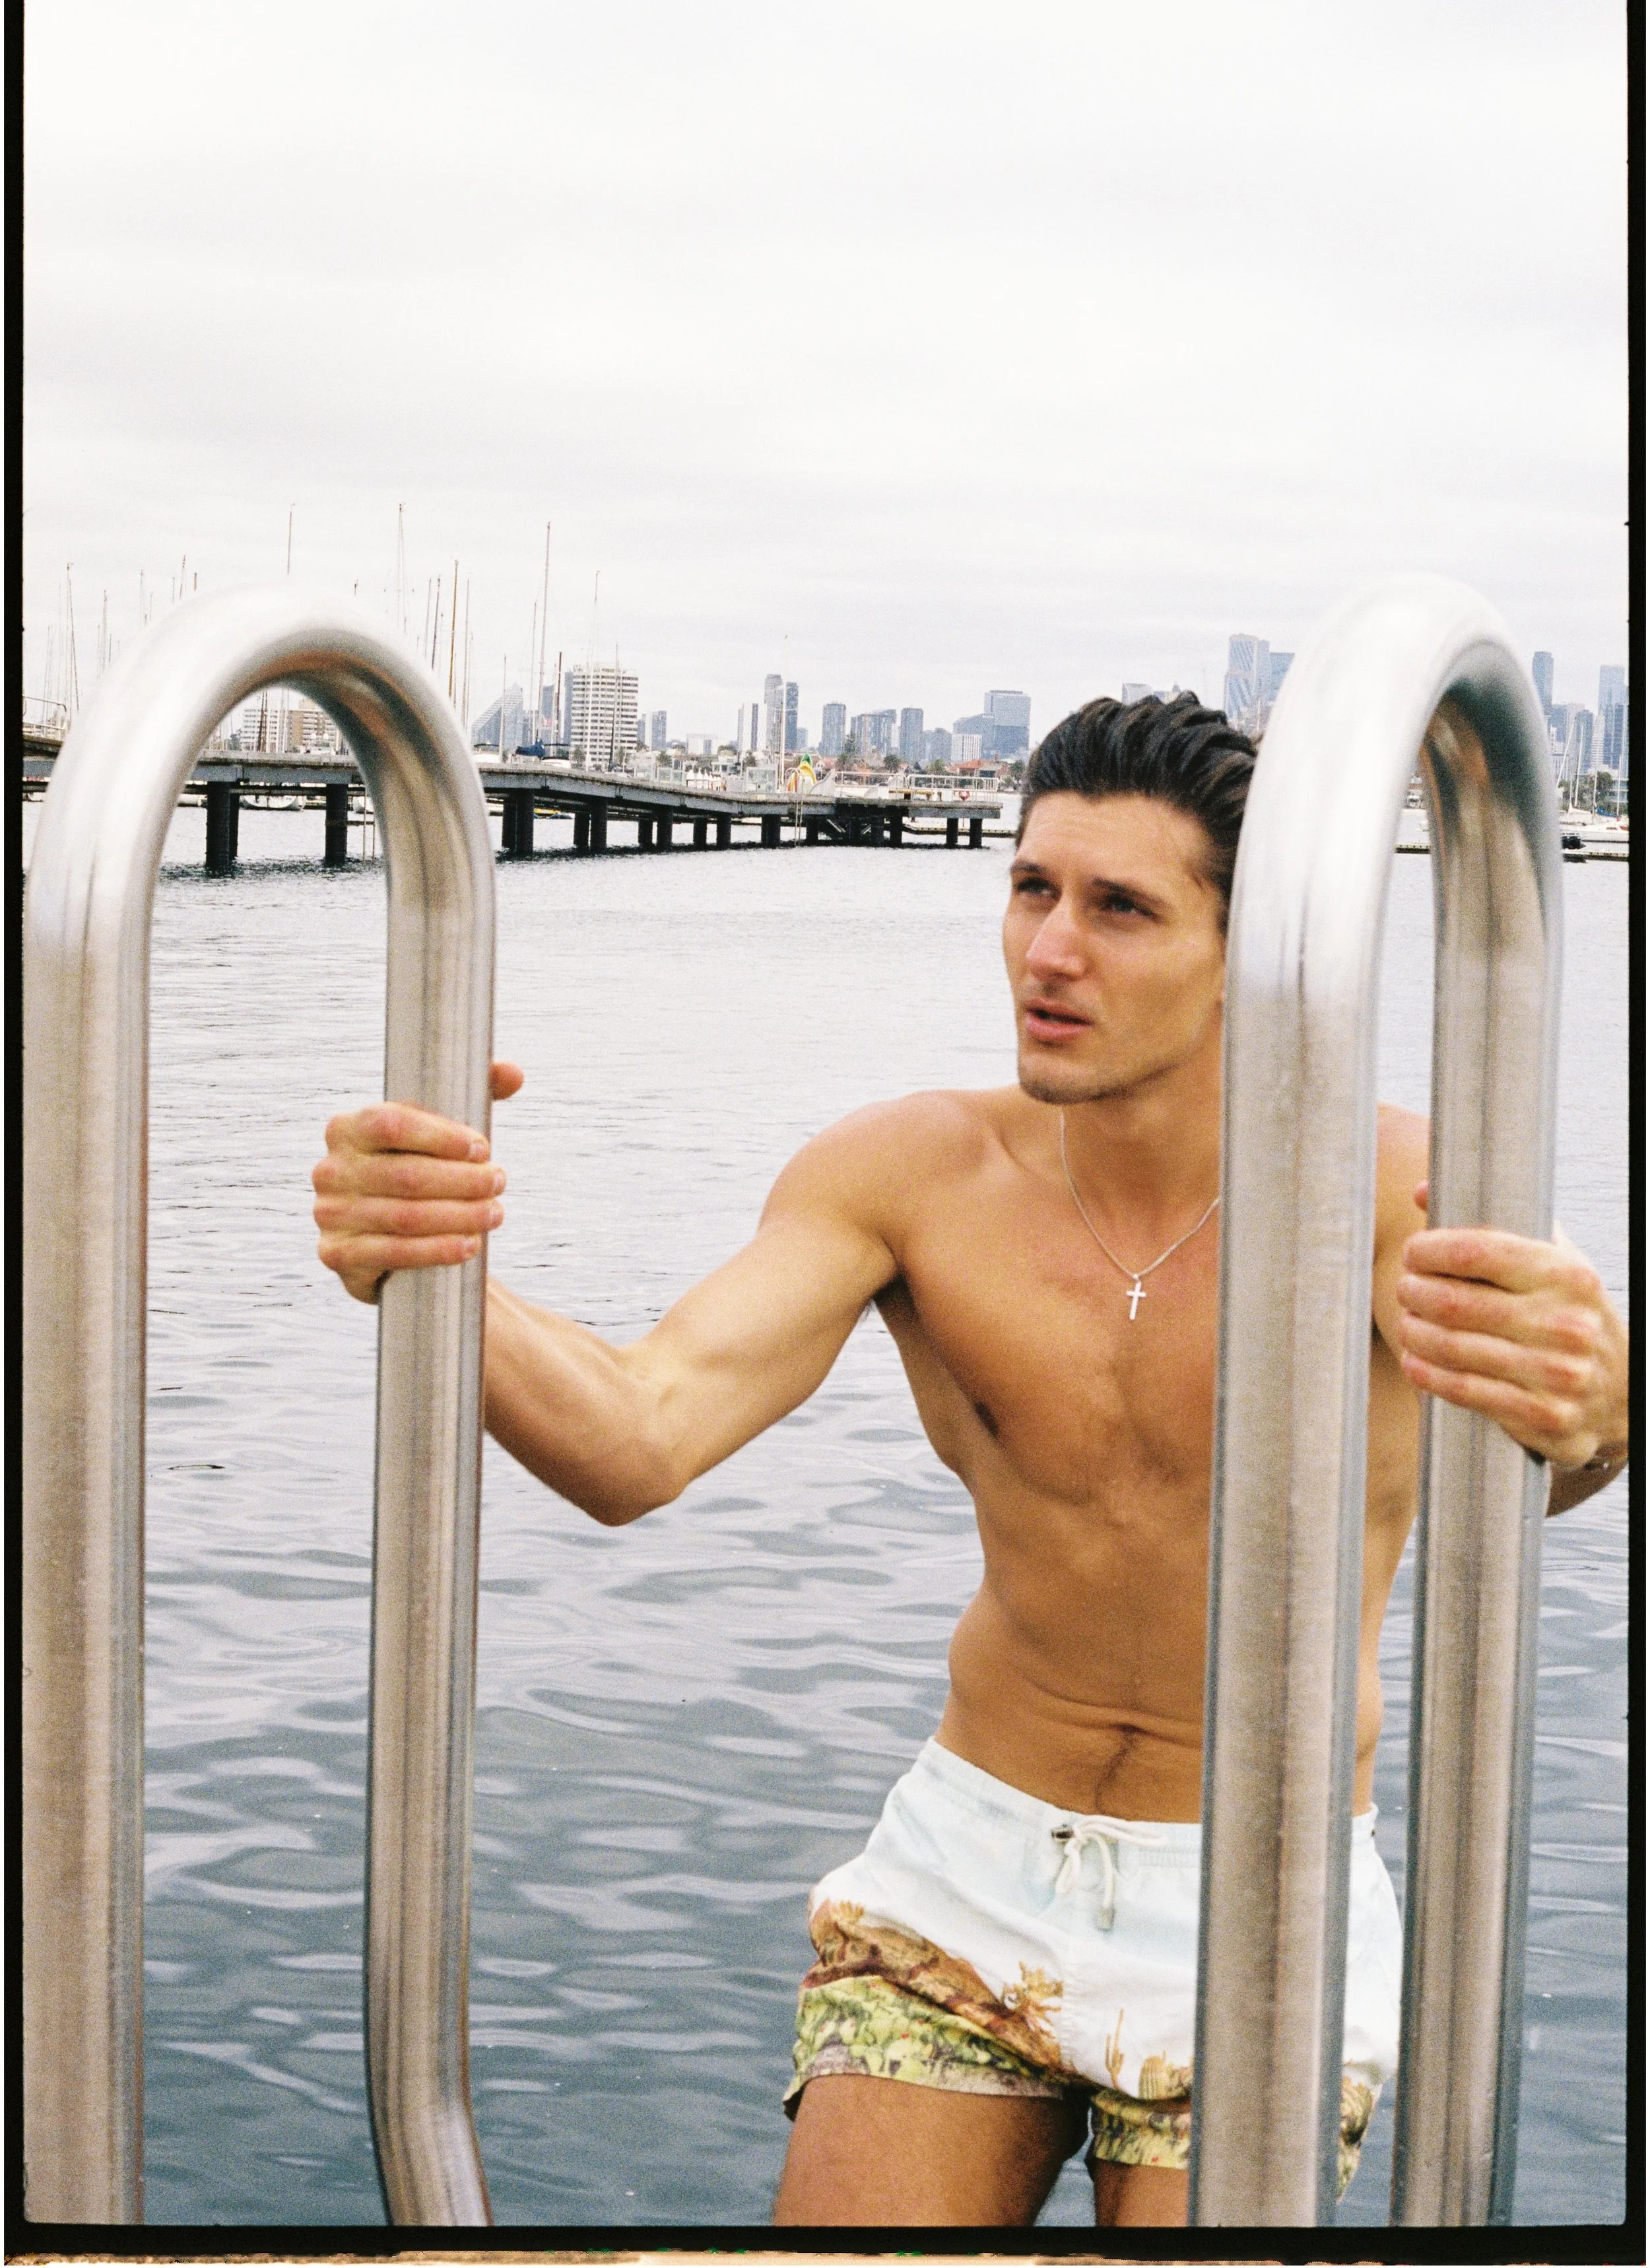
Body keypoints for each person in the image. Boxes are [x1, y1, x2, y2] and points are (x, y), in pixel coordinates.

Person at [312, 694, 1629, 2230]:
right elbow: (636, 1434)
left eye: (1119, 909)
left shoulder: (1395, 1190)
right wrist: (428, 1268)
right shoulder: (911, 1173)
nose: (1047, 951)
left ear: (1246, 950)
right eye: (1030, 889)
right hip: (968, 1862)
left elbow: (1552, 1453)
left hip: (1262, 1883)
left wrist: (1594, 1397)